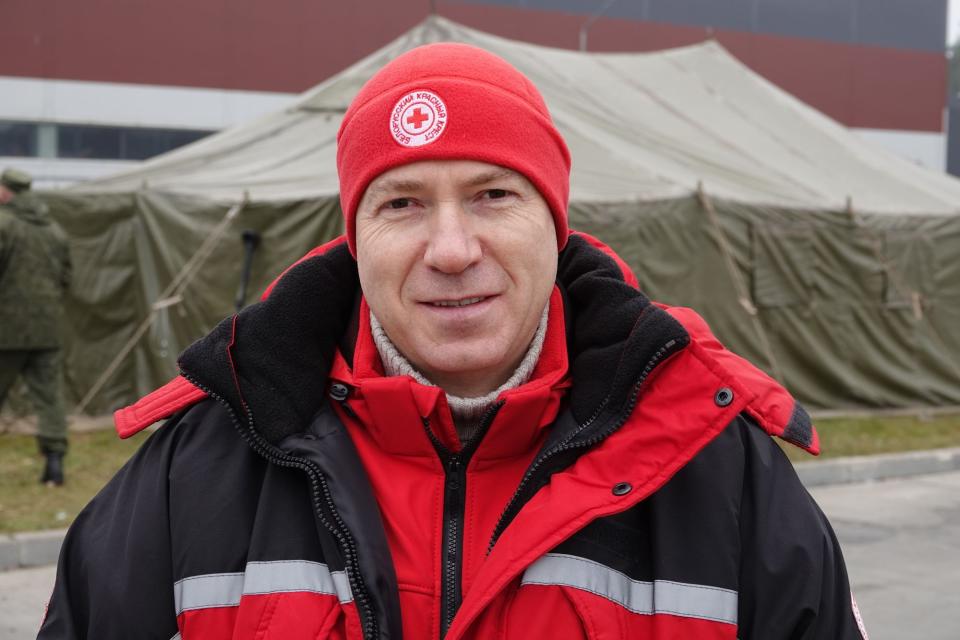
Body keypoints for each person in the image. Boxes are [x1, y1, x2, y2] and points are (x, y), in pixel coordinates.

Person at [39, 44, 869, 639]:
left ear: (555, 219)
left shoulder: (714, 467)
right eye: (400, 203)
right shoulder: (200, 468)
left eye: (492, 194)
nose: (451, 249)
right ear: (354, 237)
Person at [0, 168, 72, 486]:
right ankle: (54, 465)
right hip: (48, 328)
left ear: (6, 192)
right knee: (50, 398)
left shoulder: (4, 225)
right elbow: (66, 279)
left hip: (6, 329)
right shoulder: (55, 231)